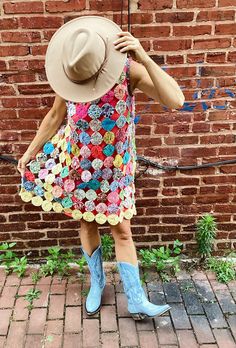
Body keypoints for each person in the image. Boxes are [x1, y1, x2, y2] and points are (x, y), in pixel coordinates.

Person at [17, 16, 185, 320]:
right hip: (79, 166)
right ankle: (98, 284)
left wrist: (144, 57)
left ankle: (135, 299)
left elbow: (175, 100)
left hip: (115, 169)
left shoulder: (128, 71)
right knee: (87, 223)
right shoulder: (72, 76)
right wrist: (30, 151)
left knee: (122, 229)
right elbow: (55, 117)